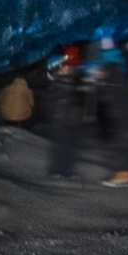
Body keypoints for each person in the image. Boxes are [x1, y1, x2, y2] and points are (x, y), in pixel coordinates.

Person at [91, 46, 128, 188]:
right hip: (126, 117)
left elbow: (110, 98)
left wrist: (100, 84)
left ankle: (124, 177)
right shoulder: (120, 72)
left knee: (123, 147)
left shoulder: (113, 75)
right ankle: (127, 175)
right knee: (125, 146)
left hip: (123, 118)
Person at [43, 52, 85, 180]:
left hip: (71, 119)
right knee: (62, 147)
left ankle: (67, 171)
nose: (67, 67)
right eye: (64, 66)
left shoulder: (67, 81)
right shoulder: (57, 84)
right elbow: (55, 100)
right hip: (61, 120)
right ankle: (57, 171)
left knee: (70, 148)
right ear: (58, 69)